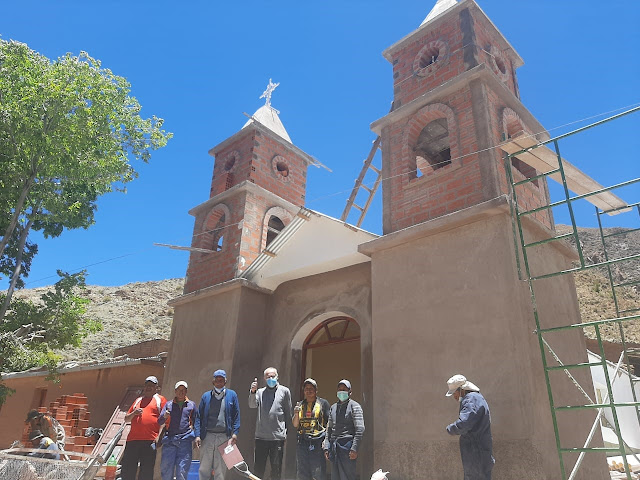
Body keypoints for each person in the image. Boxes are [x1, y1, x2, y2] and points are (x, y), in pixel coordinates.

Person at [445, 374, 494, 480]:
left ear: (461, 390)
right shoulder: (475, 398)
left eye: (455, 393)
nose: (454, 397)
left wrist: (451, 428)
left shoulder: (471, 400)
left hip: (476, 453)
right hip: (478, 452)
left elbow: (464, 424)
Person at [195, 369, 240, 480]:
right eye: (217, 380)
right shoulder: (206, 396)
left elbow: (237, 416)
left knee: (220, 469)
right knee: (204, 468)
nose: (219, 382)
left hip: (224, 437)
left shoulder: (232, 395)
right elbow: (198, 417)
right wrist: (197, 435)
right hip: (208, 436)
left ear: (225, 381)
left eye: (221, 380)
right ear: (213, 382)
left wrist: (235, 433)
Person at [248, 367, 292, 480]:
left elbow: (288, 413)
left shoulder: (285, 391)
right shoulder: (260, 392)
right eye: (268, 377)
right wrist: (253, 391)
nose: (270, 378)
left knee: (276, 469)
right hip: (261, 437)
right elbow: (252, 405)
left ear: (277, 377)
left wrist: (286, 433)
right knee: (258, 469)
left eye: (273, 376)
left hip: (277, 438)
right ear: (264, 378)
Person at [121, 375, 167, 480]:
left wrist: (159, 437)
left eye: (151, 385)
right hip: (133, 440)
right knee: (128, 469)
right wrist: (134, 413)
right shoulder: (138, 400)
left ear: (156, 388)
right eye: (147, 385)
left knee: (146, 471)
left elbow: (164, 419)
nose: (148, 387)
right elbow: (126, 419)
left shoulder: (160, 400)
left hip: (149, 441)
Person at [323, 380, 364, 480]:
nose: (341, 392)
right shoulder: (333, 408)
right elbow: (329, 429)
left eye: (344, 390)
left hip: (347, 447)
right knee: (335, 476)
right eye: (339, 389)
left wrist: (354, 448)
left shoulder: (355, 406)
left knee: (347, 476)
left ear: (350, 392)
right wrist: (327, 447)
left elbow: (360, 429)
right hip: (334, 447)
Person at [158, 380, 198, 480]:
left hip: (185, 441)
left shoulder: (191, 405)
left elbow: (197, 422)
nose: (181, 392)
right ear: (175, 391)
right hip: (170, 441)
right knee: (166, 469)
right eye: (179, 390)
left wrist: (197, 436)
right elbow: (159, 421)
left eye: (183, 390)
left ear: (186, 391)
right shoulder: (168, 405)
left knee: (182, 471)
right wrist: (164, 416)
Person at [292, 378, 331, 480]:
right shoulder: (300, 404)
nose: (308, 391)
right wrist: (296, 413)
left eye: (311, 389)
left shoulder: (323, 403)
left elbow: (329, 423)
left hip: (318, 442)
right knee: (302, 471)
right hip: (302, 442)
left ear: (316, 390)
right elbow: (295, 424)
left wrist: (326, 441)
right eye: (306, 389)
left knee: (318, 471)